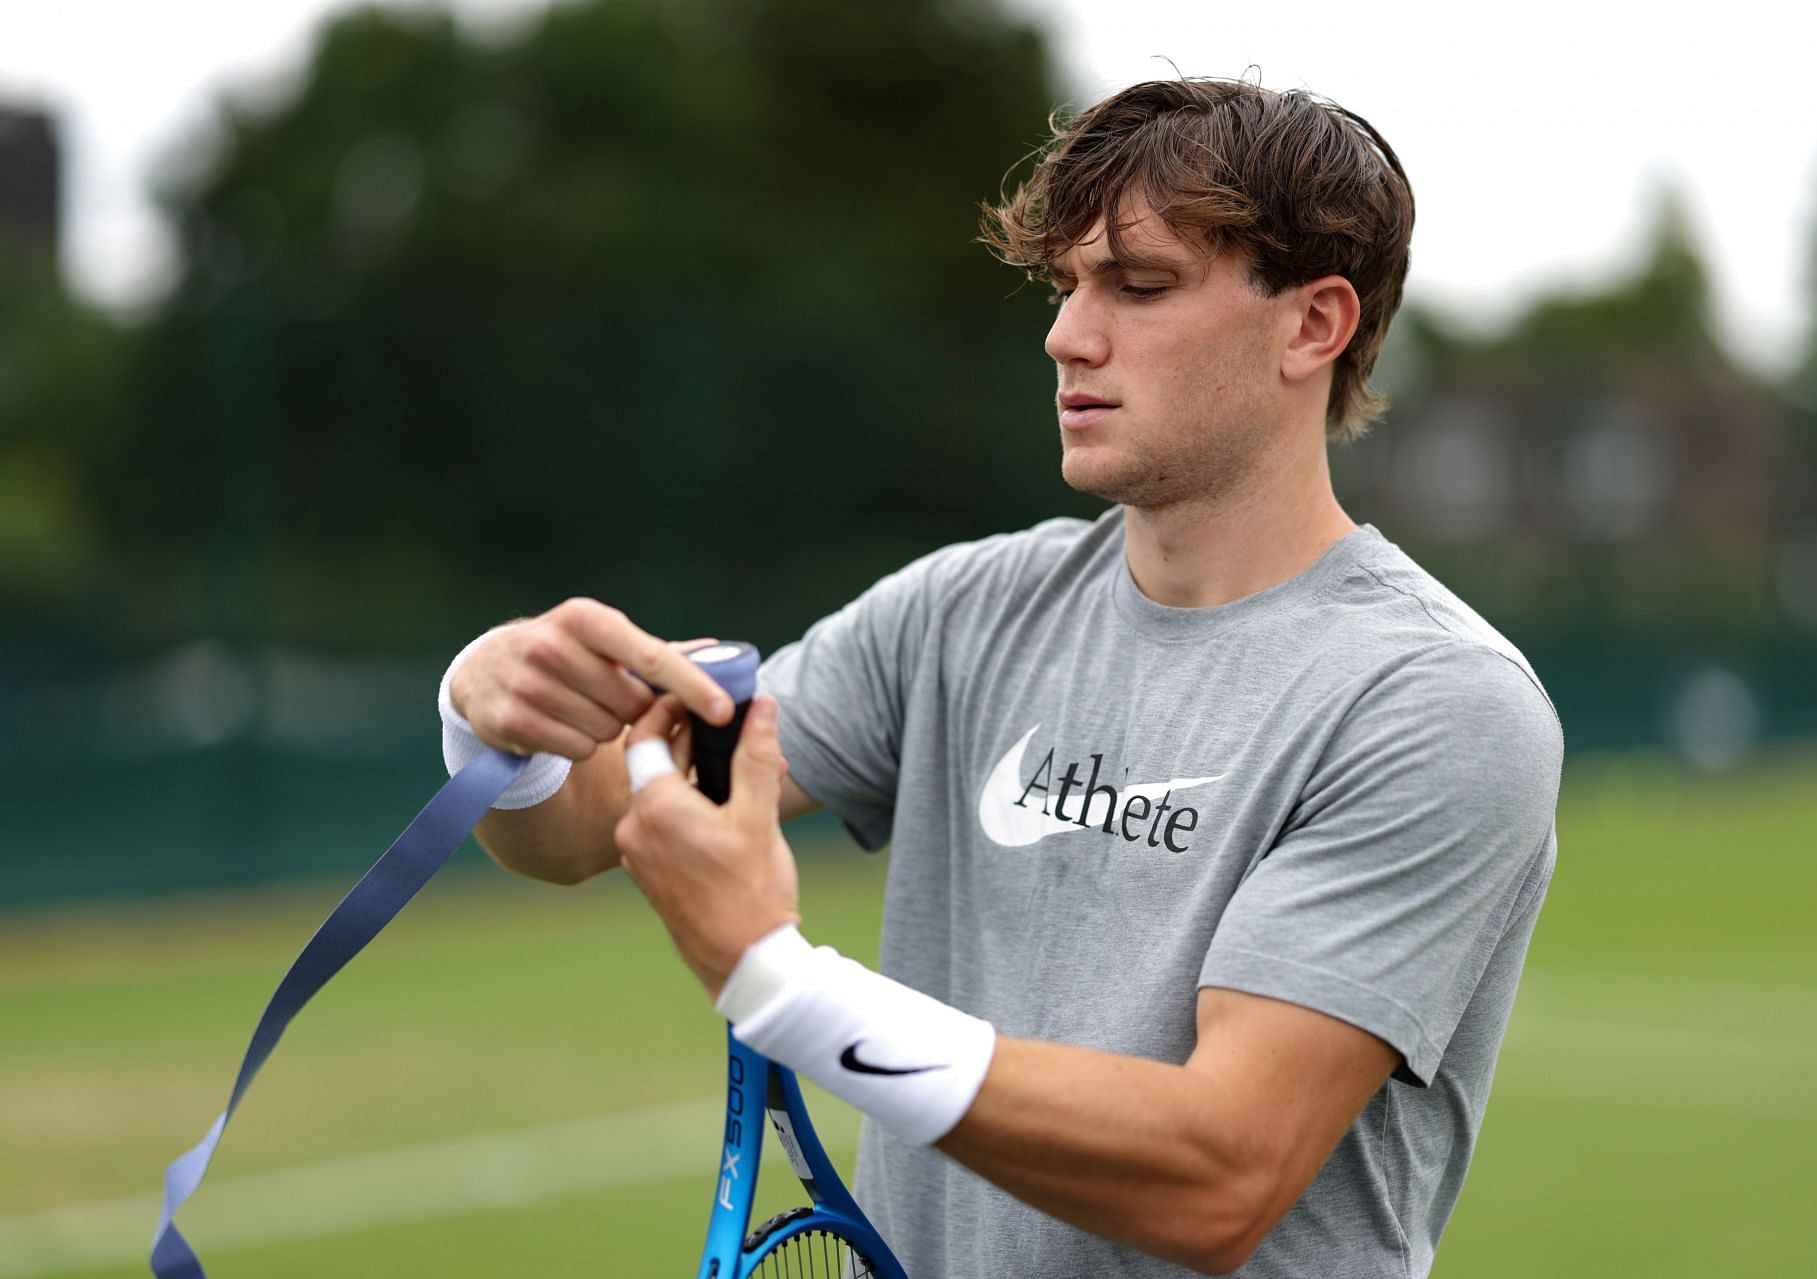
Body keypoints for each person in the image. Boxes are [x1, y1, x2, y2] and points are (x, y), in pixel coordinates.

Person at [440, 78, 1562, 1277]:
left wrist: (777, 980)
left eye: (1138, 287)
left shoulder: (1436, 702)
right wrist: (495, 726)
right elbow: (566, 837)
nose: (1068, 335)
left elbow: (1220, 1174)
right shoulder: (963, 611)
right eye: (1068, 286)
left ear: (1312, 325)